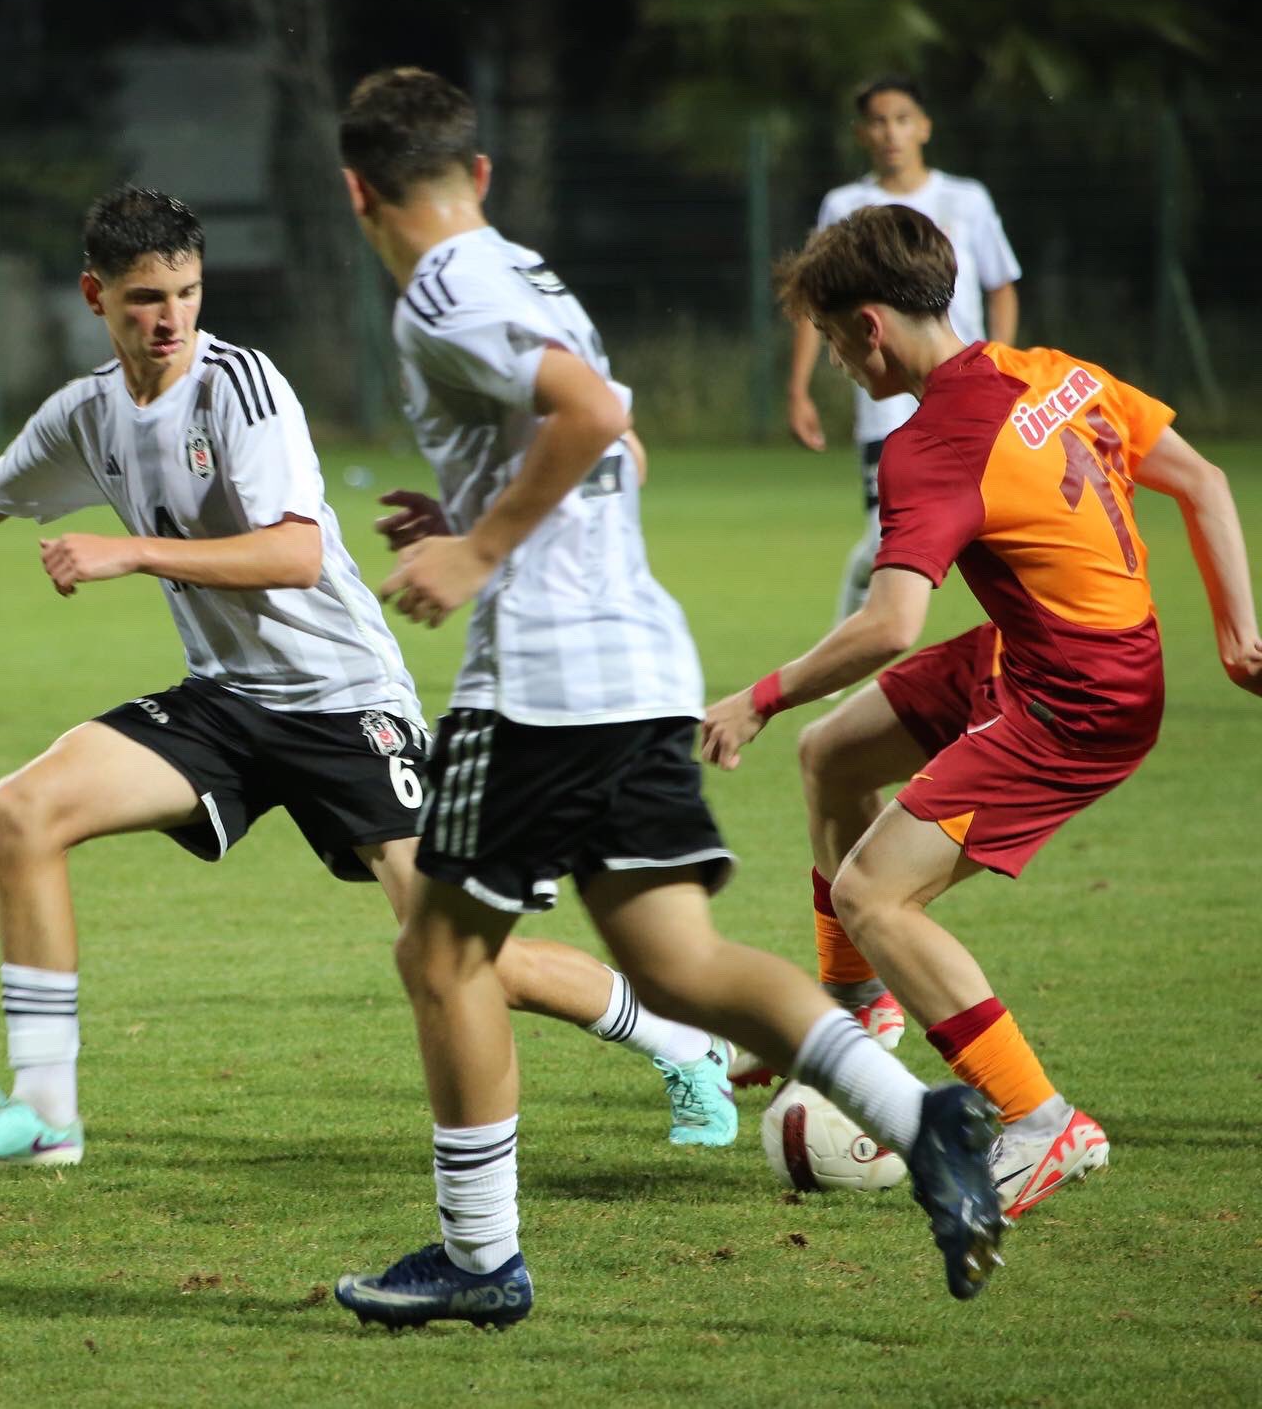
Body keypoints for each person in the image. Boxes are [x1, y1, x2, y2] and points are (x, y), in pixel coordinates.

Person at [0, 186, 741, 1167]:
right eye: (143, 297)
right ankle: (46, 1109)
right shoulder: (87, 412)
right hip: (224, 700)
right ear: (95, 295)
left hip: (346, 706)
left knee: (469, 955)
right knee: (23, 809)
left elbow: (295, 555)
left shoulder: (239, 388)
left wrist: (132, 553)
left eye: (186, 290)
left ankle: (683, 1039)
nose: (170, 317)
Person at [332, 66, 1004, 1328]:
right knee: (673, 958)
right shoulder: (528, 271)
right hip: (635, 660)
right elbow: (622, 436)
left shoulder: (443, 287)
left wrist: (479, 553)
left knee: (440, 949)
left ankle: (479, 1258)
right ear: (479, 173)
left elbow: (586, 418)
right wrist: (481, 509)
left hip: (540, 678)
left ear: (357, 188)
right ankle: (927, 1118)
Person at [704, 203, 1262, 1219]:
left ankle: (1043, 1120)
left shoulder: (934, 444)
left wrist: (760, 695)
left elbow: (888, 625)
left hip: (1076, 698)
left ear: (870, 325)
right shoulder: (1055, 371)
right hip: (1047, 651)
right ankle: (856, 1001)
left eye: (832, 340)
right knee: (835, 756)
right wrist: (1236, 635)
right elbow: (1206, 480)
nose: (835, 361)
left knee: (876, 892)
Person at [788, 74, 1020, 624]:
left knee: (1002, 526)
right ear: (861, 133)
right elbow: (815, 302)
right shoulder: (845, 204)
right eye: (877, 121)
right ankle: (842, 651)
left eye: (901, 119)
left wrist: (1000, 363)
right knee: (882, 542)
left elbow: (1001, 285)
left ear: (924, 127)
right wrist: (798, 388)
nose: (890, 132)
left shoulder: (965, 199)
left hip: (966, 388)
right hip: (885, 395)